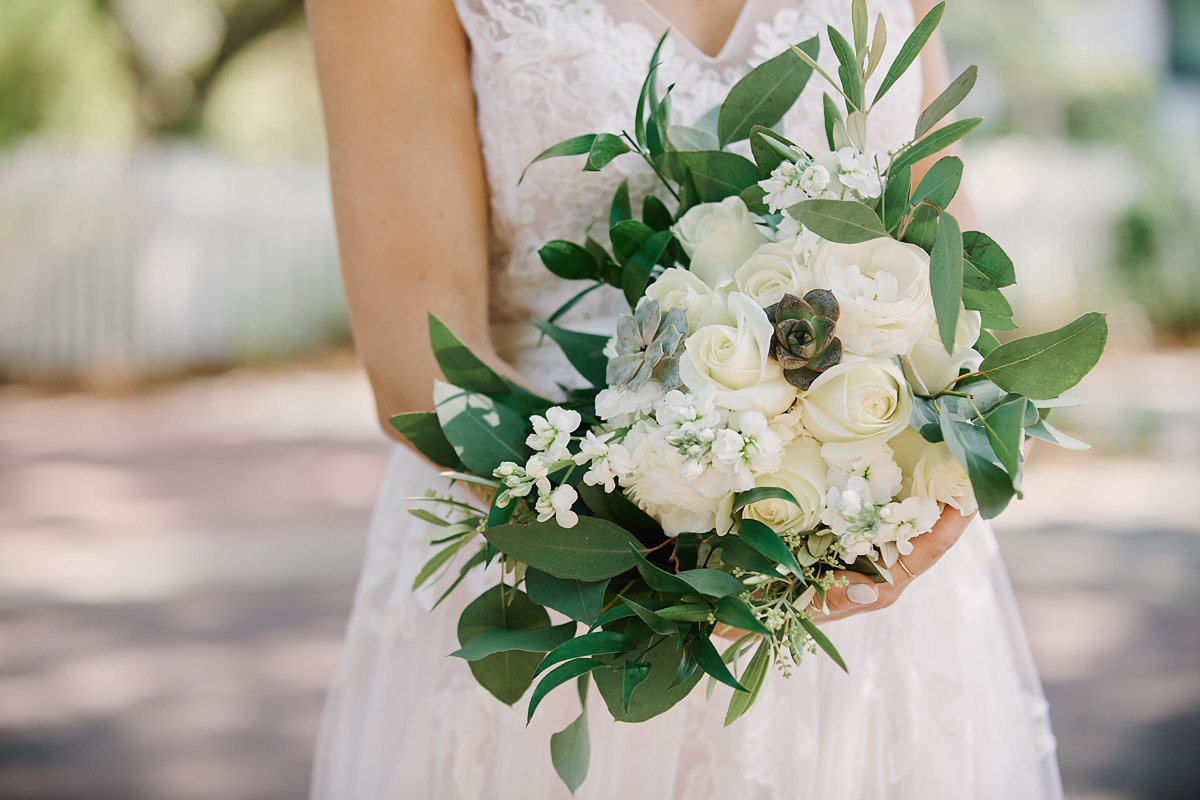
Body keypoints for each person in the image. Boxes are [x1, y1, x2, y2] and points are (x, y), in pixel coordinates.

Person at [306, 1, 1063, 797]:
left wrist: (942, 484)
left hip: (865, 565)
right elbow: (421, 364)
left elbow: (948, 262)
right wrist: (671, 563)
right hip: (568, 566)